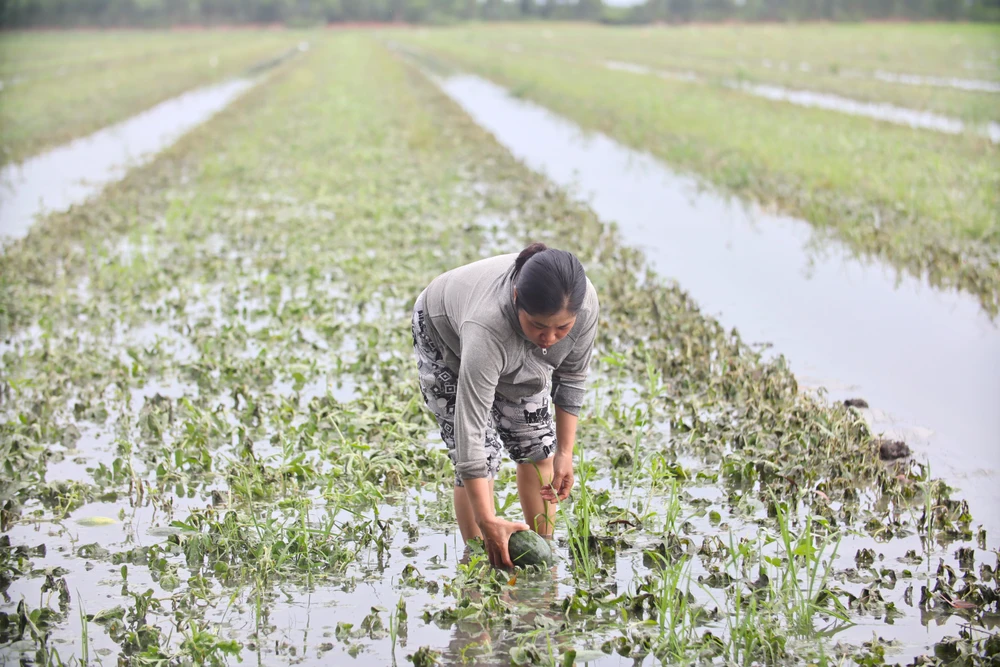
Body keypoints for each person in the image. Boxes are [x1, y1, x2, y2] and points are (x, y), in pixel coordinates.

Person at [411, 242, 600, 568]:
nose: (550, 339)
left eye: (562, 328)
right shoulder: (487, 327)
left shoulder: (583, 305)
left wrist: (565, 453)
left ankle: (544, 555)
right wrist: (487, 519)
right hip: (444, 333)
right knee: (481, 456)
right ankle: (479, 558)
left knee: (539, 447)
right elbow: (470, 430)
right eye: (539, 326)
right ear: (516, 299)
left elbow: (571, 377)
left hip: (502, 344)